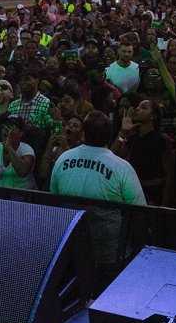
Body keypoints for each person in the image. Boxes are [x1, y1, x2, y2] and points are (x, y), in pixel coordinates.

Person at [49, 110, 146, 284]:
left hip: (73, 248)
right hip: (107, 253)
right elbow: (139, 211)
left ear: (84, 133)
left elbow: (54, 199)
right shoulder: (122, 168)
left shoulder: (63, 159)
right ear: (109, 136)